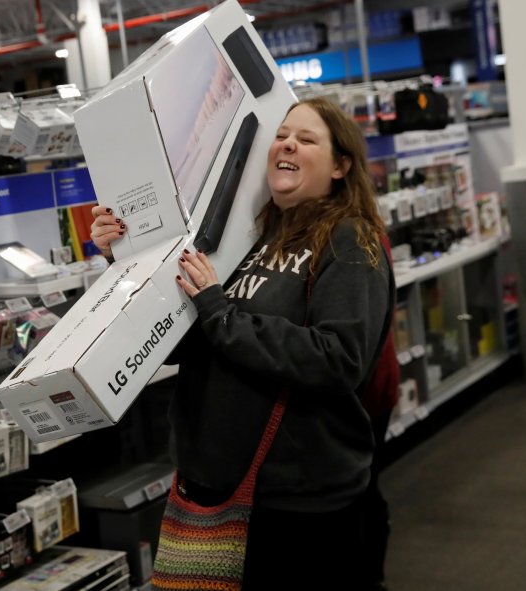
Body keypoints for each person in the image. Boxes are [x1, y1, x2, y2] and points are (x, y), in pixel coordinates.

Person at [91, 97, 394, 589]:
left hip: (296, 499)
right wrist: (121, 259)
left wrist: (219, 310)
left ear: (341, 166)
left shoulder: (349, 240)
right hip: (214, 486)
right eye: (282, 135)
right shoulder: (250, 237)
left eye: (307, 138)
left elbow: (339, 360)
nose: (288, 143)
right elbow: (183, 341)